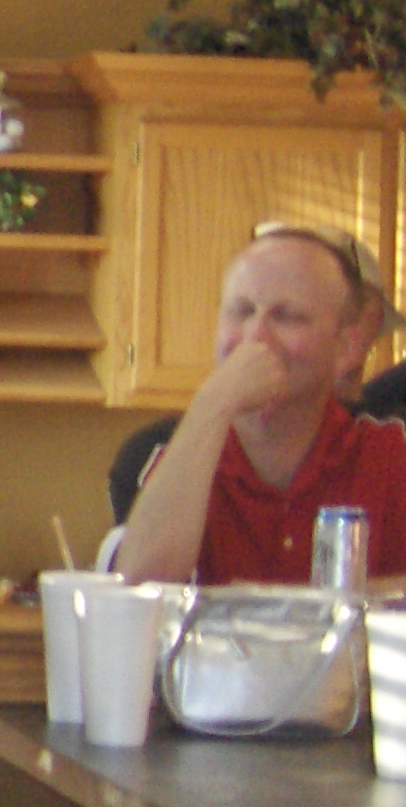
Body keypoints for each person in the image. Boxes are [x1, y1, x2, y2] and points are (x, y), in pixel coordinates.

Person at [111, 224, 406, 588]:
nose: (255, 336)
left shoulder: (391, 457)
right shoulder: (173, 459)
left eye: (288, 316)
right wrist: (213, 402)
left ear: (347, 349)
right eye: (241, 311)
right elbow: (138, 594)